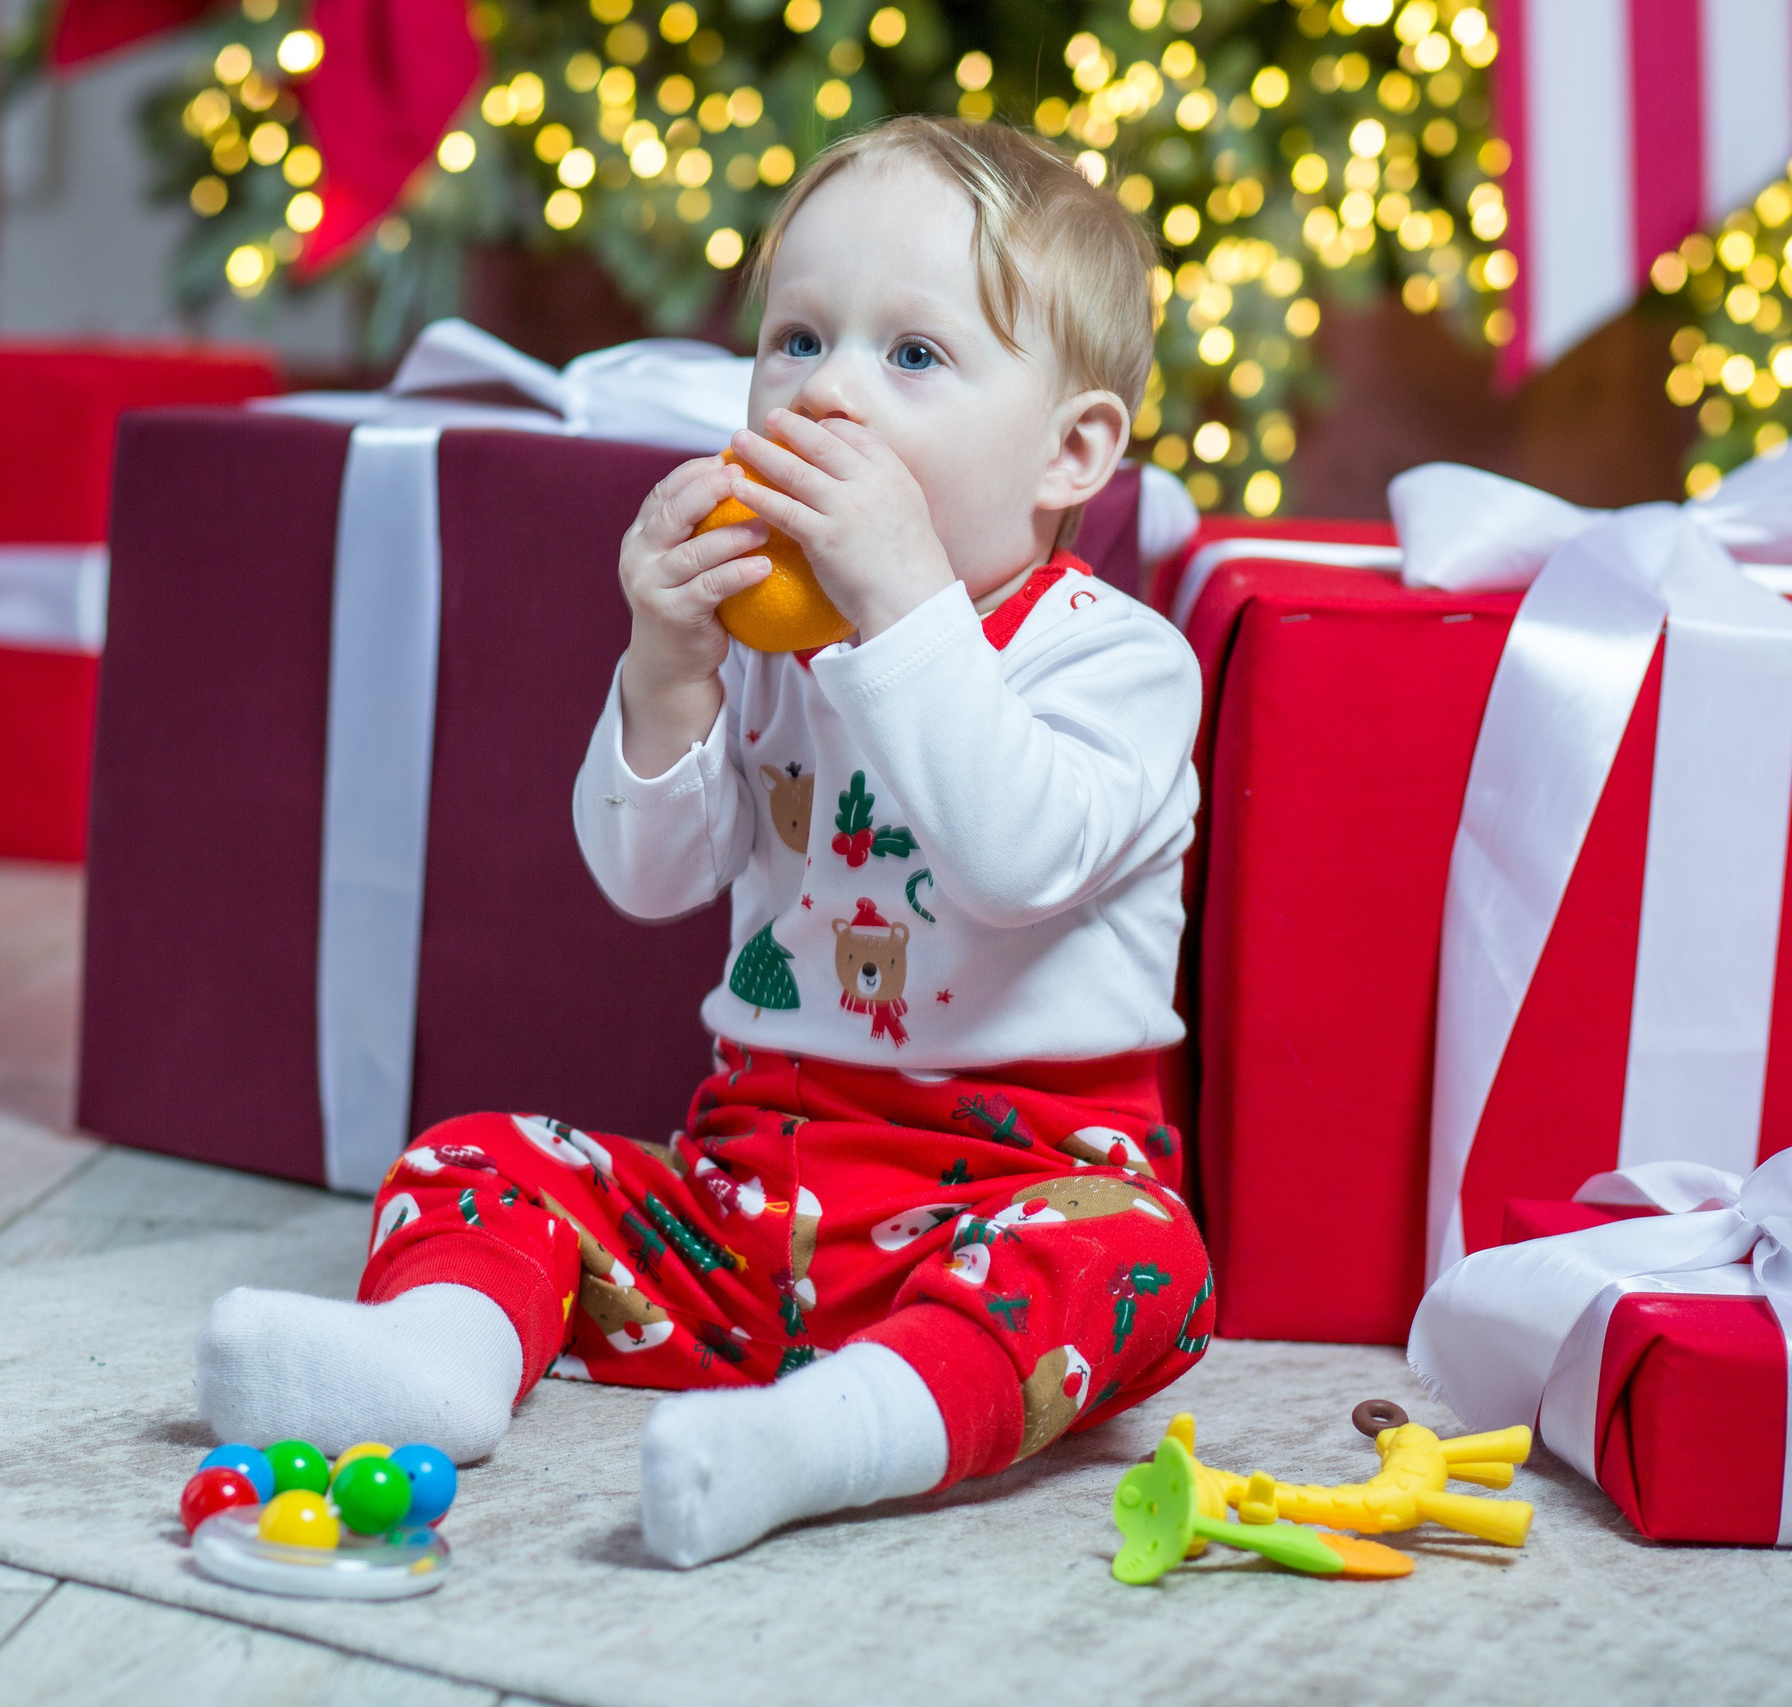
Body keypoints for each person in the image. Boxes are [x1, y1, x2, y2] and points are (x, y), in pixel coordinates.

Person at [195, 116, 1211, 1568]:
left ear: (1071, 451)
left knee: (1137, 1265)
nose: (828, 395)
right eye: (798, 340)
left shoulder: (1116, 663)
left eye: (912, 357)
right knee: (487, 1154)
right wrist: (666, 665)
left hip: (1012, 1194)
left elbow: (1013, 855)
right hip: (753, 1198)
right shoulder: (773, 652)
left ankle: (830, 1439)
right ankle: (437, 1362)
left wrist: (907, 606)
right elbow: (650, 874)